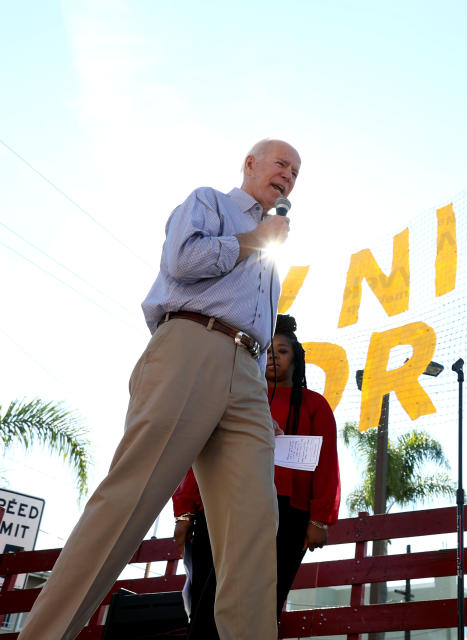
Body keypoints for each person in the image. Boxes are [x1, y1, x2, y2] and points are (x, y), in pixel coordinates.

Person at [19, 139, 300, 640]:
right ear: (250, 164)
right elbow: (184, 262)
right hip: (192, 344)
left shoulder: (270, 252)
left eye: (296, 172)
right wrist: (257, 238)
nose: (289, 175)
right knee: (131, 498)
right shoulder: (210, 201)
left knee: (256, 530)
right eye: (282, 163)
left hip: (247, 377)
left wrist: (257, 393)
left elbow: (258, 323)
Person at [173, 313, 341, 638]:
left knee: (264, 598)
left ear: (297, 359)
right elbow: (204, 454)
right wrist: (185, 509)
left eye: (283, 351)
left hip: (286, 511)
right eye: (270, 351)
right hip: (224, 505)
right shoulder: (236, 396)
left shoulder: (314, 405)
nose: (275, 358)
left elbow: (326, 464)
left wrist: (319, 519)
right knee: (210, 596)